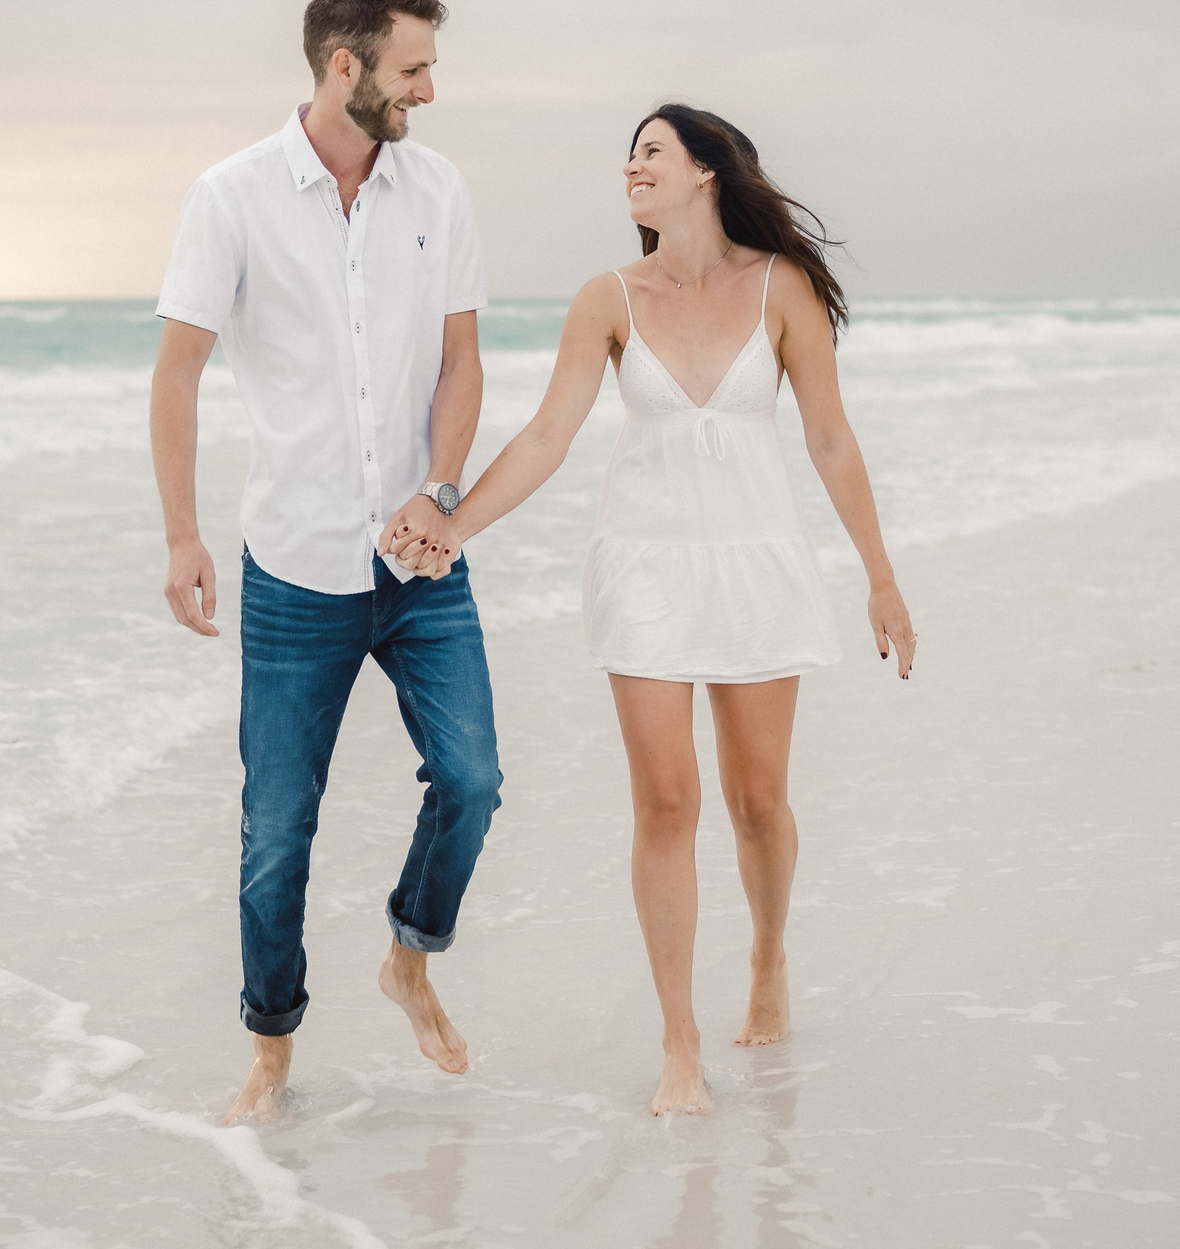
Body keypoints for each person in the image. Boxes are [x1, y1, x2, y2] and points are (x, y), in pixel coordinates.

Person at [382, 104, 914, 1116]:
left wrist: (880, 577)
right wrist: (455, 525)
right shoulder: (607, 298)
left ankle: (766, 958)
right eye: (628, 153)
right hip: (646, 569)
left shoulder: (782, 290)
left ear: (708, 172)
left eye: (653, 151)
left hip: (756, 563)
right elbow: (545, 437)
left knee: (758, 800)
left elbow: (832, 441)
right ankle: (678, 1041)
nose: (632, 166)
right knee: (667, 806)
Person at [150, 0, 500, 1126]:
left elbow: (460, 362)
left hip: (418, 558)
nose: (430, 92)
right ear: (343, 67)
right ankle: (271, 1045)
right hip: (293, 566)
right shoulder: (231, 196)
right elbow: (178, 375)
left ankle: (410, 953)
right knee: (276, 831)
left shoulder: (436, 191)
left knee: (473, 779)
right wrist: (182, 535)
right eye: (414, 70)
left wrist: (442, 494)